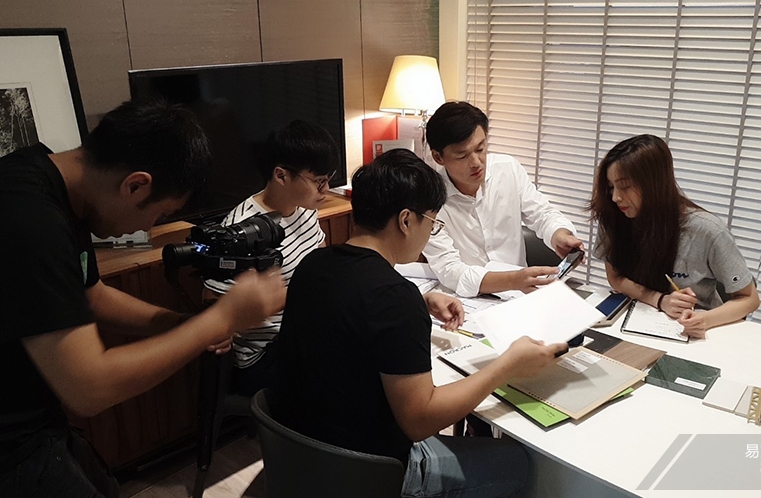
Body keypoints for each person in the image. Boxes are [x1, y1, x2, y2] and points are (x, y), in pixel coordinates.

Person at [0, 99, 286, 498]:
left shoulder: (60, 187)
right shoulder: (30, 220)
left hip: (38, 419)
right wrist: (219, 320)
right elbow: (88, 388)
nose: (151, 226)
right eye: (161, 214)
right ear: (135, 185)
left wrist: (181, 324)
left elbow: (91, 296)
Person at [275, 149, 566, 497]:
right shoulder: (394, 299)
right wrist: (508, 365)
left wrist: (419, 299)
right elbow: (420, 420)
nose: (430, 233)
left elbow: (351, 308)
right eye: (433, 223)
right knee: (516, 462)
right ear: (406, 220)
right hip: (369, 471)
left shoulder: (314, 265)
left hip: (300, 453)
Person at [203, 120, 339, 396]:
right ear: (281, 175)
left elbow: (320, 267)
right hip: (264, 353)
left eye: (328, 179)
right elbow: (212, 299)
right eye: (318, 181)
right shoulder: (243, 229)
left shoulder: (305, 209)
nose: (326, 189)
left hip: (304, 332)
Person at [589, 134, 760, 339]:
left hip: (690, 331)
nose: (616, 197)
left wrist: (705, 320)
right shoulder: (615, 217)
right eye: (611, 187)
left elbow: (749, 299)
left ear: (654, 183)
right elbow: (615, 277)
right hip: (633, 323)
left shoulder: (706, 230)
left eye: (624, 186)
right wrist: (660, 300)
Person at [422, 101, 584, 297]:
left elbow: (543, 214)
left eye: (480, 149)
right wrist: (512, 281)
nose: (476, 163)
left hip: (520, 296)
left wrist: (559, 234)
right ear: (438, 157)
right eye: (462, 156)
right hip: (466, 300)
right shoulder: (427, 199)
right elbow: (449, 269)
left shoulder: (508, 169)